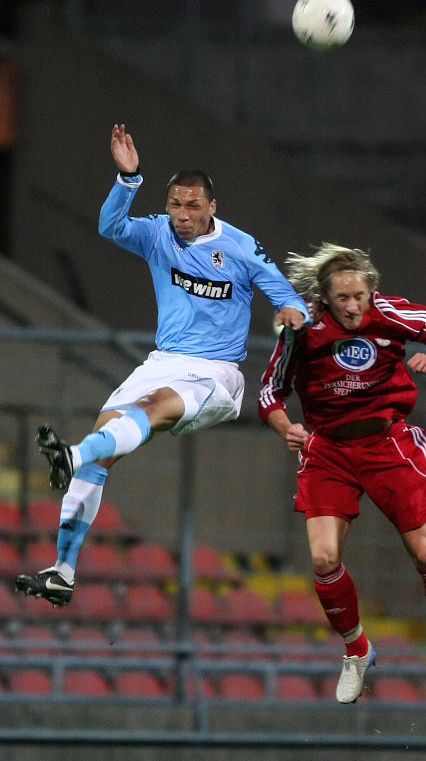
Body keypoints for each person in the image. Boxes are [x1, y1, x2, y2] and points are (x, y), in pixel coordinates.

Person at [15, 123, 309, 608]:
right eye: (175, 204)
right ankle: (62, 572)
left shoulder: (240, 246)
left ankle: (72, 456)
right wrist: (127, 180)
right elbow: (110, 227)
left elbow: (288, 297)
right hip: (162, 362)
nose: (182, 215)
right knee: (106, 438)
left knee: (149, 410)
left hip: (215, 373)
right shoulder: (157, 234)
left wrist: (292, 313)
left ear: (212, 207)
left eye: (193, 206)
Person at [257, 242, 426, 711]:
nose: (352, 306)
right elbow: (270, 393)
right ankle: (357, 651)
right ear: (324, 299)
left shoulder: (391, 314)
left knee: (425, 552)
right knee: (323, 558)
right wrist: (287, 428)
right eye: (342, 298)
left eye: (359, 296)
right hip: (328, 450)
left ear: (372, 292)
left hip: (387, 445)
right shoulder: (302, 330)